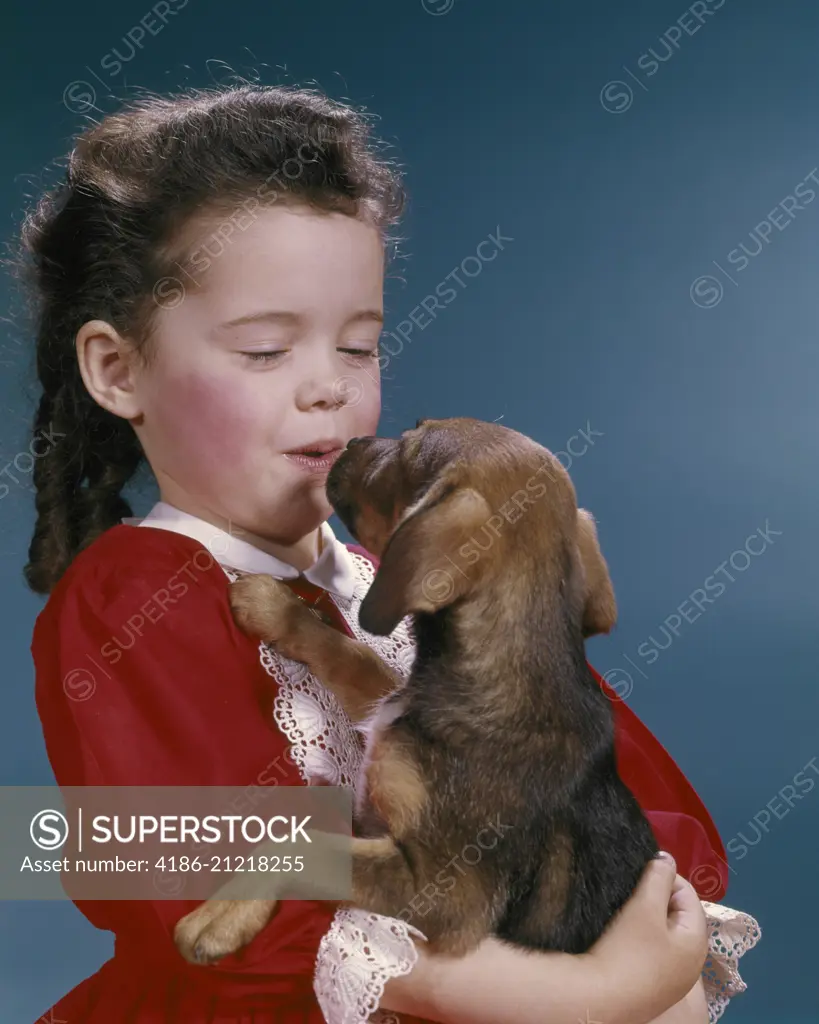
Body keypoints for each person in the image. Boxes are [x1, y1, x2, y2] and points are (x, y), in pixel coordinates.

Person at [20, 84, 760, 1024]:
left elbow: (609, 794)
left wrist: (656, 953)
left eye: (358, 347)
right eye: (264, 351)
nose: (327, 387)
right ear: (118, 370)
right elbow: (168, 873)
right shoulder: (132, 598)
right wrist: (571, 991)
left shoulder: (410, 575)